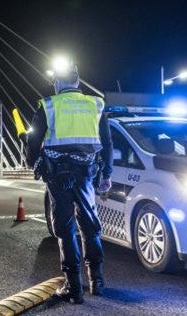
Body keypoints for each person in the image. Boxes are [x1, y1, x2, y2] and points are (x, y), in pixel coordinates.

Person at [26, 58, 113, 304]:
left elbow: (33, 142)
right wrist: (106, 174)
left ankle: (74, 288)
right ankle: (98, 282)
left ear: (56, 83)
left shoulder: (49, 105)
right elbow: (107, 143)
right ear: (77, 80)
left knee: (65, 229)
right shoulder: (96, 105)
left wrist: (32, 163)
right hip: (87, 174)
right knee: (91, 227)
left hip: (57, 175)